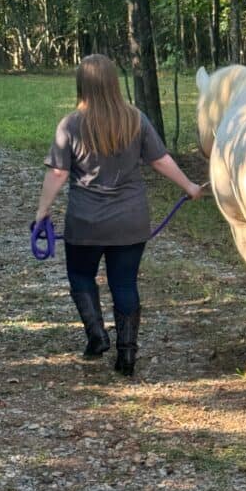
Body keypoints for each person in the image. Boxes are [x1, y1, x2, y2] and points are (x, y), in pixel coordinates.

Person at [34, 54, 204, 378]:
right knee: (124, 282)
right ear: (113, 82)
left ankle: (97, 337)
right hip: (130, 220)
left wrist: (42, 211)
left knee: (81, 277)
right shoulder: (135, 119)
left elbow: (57, 173)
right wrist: (190, 186)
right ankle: (126, 355)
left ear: (81, 84)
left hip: (85, 223)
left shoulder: (70, 124)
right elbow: (160, 160)